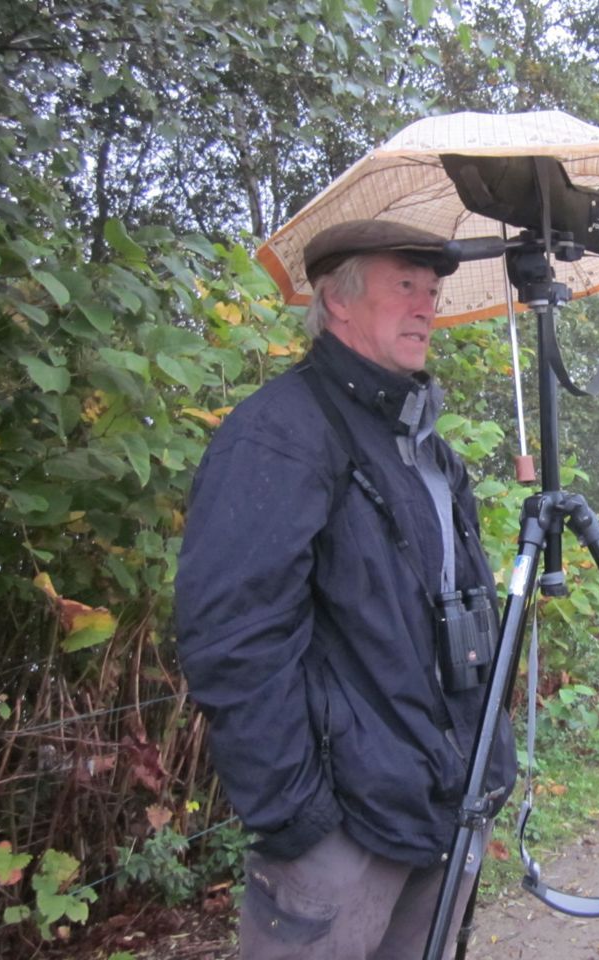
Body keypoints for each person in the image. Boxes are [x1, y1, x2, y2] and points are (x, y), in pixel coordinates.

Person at [175, 220, 515, 960]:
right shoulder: (279, 434)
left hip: (443, 805)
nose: (427, 307)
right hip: (344, 833)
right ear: (337, 301)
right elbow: (231, 639)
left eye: (431, 292)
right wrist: (300, 816)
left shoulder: (431, 452)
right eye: (404, 287)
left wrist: (481, 773)